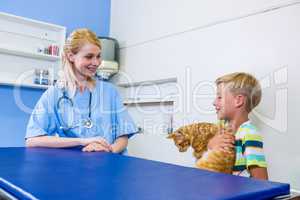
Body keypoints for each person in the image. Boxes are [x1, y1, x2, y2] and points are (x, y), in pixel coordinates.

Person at [25, 28, 138, 154]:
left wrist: (109, 151)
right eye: (89, 57)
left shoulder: (110, 92)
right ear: (71, 56)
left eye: (98, 56)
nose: (96, 62)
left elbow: (123, 136)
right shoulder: (54, 94)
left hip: (110, 163)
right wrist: (82, 141)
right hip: (73, 166)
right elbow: (33, 140)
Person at [208, 72, 268, 180]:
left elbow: (262, 181)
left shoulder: (249, 134)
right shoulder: (220, 128)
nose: (214, 102)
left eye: (219, 97)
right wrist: (211, 145)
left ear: (238, 101)